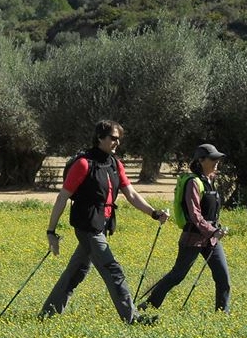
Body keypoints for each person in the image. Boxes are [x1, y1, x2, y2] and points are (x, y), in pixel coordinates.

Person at [40, 120, 169, 325]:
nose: (117, 142)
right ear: (100, 137)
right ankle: (133, 318)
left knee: (77, 271)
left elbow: (131, 194)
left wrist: (154, 213)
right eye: (113, 138)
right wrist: (51, 231)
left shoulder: (114, 164)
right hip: (87, 227)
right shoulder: (83, 164)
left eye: (119, 139)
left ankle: (48, 314)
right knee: (112, 269)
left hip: (101, 225)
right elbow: (62, 197)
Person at [139, 144, 231, 314]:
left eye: (218, 158)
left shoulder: (211, 180)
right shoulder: (193, 183)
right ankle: (148, 306)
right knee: (177, 275)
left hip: (211, 238)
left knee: (223, 276)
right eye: (213, 158)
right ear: (201, 160)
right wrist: (212, 230)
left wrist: (216, 230)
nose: (217, 161)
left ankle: (222, 315)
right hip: (193, 238)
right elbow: (194, 214)